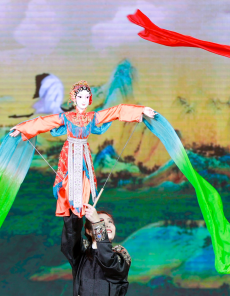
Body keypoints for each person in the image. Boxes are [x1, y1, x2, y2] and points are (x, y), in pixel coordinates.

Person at [9, 80, 155, 218]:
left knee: (84, 187)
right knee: (66, 190)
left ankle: (78, 218)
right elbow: (44, 122)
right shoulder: (66, 117)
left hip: (84, 155)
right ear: (74, 98)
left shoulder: (93, 117)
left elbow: (117, 111)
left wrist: (140, 111)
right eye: (80, 96)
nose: (84, 100)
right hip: (69, 155)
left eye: (86, 96)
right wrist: (22, 129)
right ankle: (69, 221)